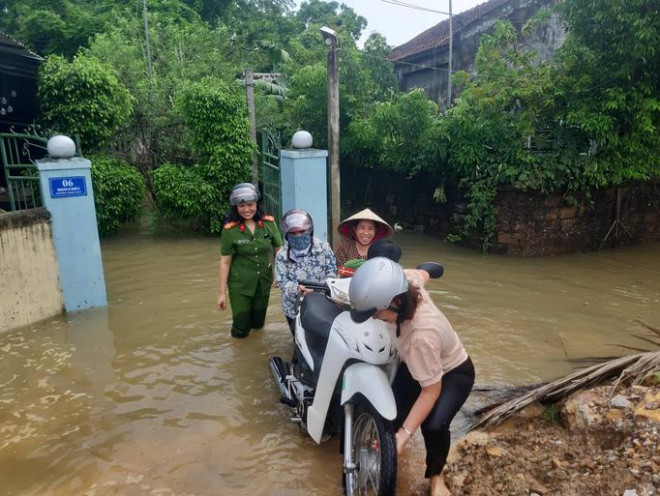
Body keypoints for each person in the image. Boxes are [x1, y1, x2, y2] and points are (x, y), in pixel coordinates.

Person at [348, 257, 475, 496]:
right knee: (392, 415)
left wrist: (405, 436)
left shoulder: (421, 335)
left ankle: (436, 477)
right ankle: (390, 454)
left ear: (395, 302)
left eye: (377, 313)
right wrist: (430, 268)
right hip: (414, 364)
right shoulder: (404, 285)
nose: (375, 317)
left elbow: (431, 391)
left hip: (453, 372)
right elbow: (420, 274)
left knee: (434, 425)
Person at [218, 182, 283, 338]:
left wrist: (278, 275)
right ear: (235, 207)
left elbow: (279, 251)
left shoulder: (269, 224)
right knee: (241, 329)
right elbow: (225, 262)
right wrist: (221, 293)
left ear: (257, 204)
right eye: (241, 206)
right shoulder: (230, 230)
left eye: (250, 205)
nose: (246, 210)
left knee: (258, 324)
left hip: (264, 282)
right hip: (240, 285)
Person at [275, 209, 337, 334]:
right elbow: (282, 281)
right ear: (287, 235)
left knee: (322, 335)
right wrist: (297, 289)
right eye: (293, 233)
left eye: (301, 232)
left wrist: (318, 290)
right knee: (298, 337)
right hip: (293, 306)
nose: (298, 236)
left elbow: (331, 272)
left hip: (321, 301)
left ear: (310, 231)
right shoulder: (282, 255)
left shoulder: (323, 248)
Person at [334, 208, 393, 273]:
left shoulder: (381, 250)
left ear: (375, 231)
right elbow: (338, 273)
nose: (366, 233)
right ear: (354, 229)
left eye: (370, 229)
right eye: (362, 228)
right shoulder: (345, 248)